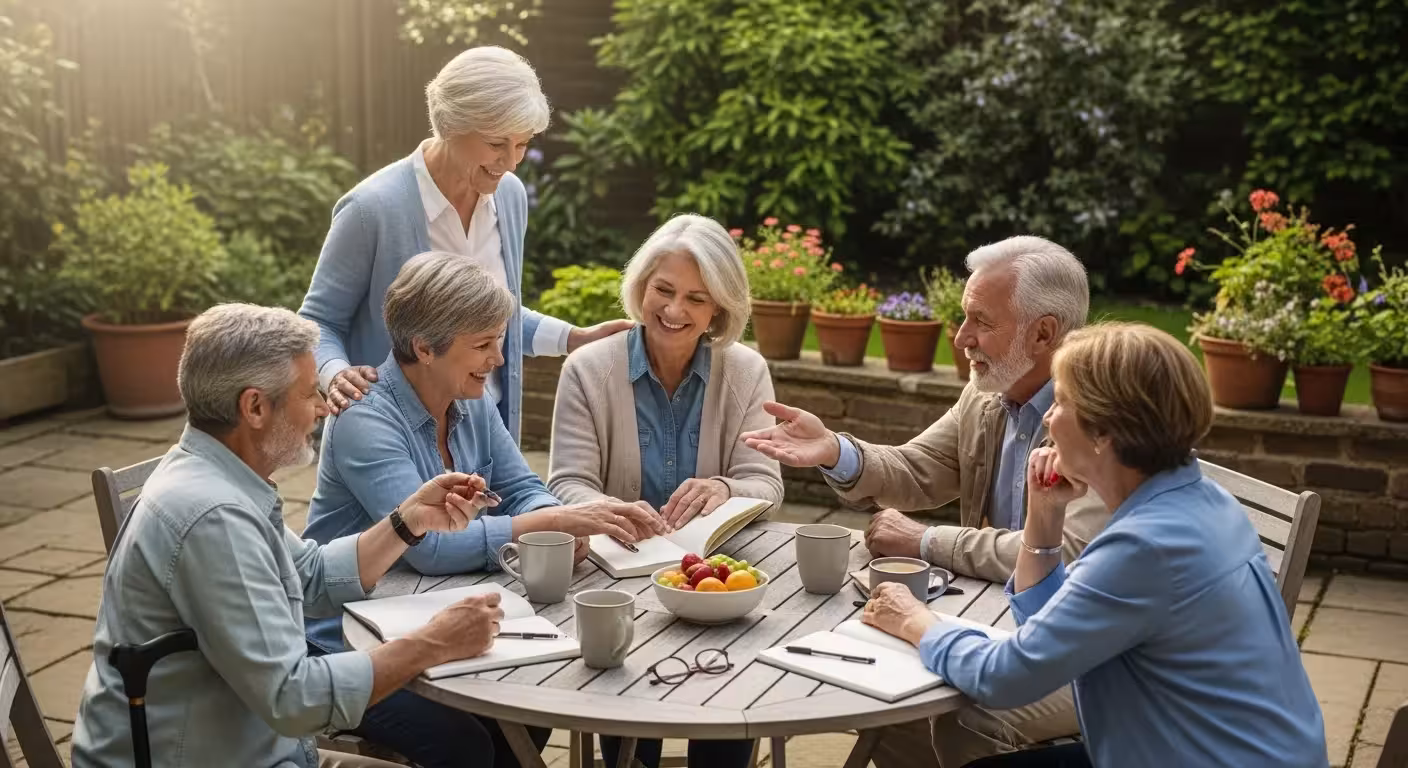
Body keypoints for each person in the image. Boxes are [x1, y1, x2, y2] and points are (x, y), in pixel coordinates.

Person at [862, 322, 1328, 767]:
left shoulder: (1144, 547)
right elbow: (1045, 627)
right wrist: (1044, 517)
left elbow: (1003, 678)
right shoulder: (1203, 499)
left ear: (1105, 432)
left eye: (1061, 401)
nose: (1047, 416)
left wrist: (916, 620)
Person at [71, 304, 506, 768]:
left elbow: (308, 574)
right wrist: (435, 642)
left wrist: (410, 519)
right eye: (308, 394)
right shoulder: (214, 516)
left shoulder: (219, 474)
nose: (322, 407)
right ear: (254, 406)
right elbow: (293, 697)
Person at [739, 236, 1107, 767]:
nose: (961, 338)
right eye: (963, 318)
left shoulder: (1099, 417)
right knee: (887, 681)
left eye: (981, 321)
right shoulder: (985, 396)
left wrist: (925, 539)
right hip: (998, 616)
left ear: (1044, 332)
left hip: (1092, 649)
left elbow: (1063, 553)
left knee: (966, 712)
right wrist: (834, 451)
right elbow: (917, 469)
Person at [303, 252, 666, 768]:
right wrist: (551, 521)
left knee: (536, 702)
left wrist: (557, 532)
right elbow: (426, 546)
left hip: (431, 614)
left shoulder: (469, 399)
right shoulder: (365, 417)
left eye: (499, 339)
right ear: (425, 347)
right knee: (467, 742)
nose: (498, 358)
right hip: (345, 642)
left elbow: (522, 487)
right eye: (482, 344)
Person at [298, 45, 631, 440]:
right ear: (451, 125)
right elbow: (318, 321)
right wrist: (337, 375)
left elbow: (487, 317)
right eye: (496, 144)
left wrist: (575, 339)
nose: (510, 162)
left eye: (522, 144)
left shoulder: (509, 196)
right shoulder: (372, 208)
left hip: (484, 435)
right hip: (389, 437)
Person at [549, 213, 782, 768]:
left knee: (729, 715)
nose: (674, 311)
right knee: (630, 726)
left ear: (719, 310)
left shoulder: (746, 371)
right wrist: (606, 508)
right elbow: (565, 483)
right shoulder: (587, 369)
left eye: (696, 299)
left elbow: (765, 483)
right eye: (664, 290)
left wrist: (724, 486)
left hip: (720, 581)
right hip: (620, 576)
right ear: (641, 288)